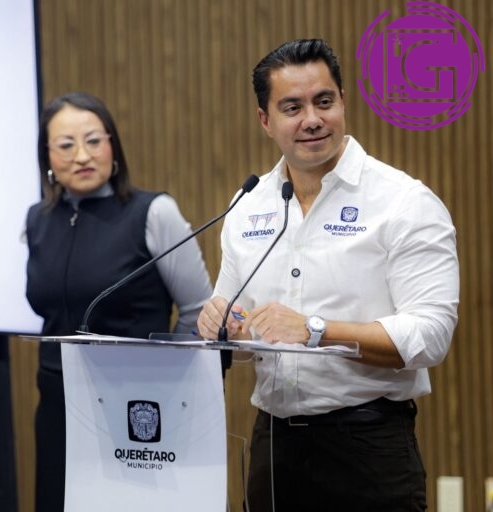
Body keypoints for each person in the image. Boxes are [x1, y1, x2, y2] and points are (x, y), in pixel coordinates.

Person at [197, 39, 459, 512]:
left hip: (368, 443)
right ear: (265, 120)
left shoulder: (403, 201)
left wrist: (315, 330)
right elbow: (238, 328)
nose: (312, 119)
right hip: (273, 445)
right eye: (292, 107)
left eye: (323, 101)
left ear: (343, 102)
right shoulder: (248, 205)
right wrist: (222, 326)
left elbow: (431, 336)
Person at [25, 91, 214, 512]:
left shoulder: (154, 212)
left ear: (113, 146)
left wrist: (169, 383)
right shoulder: (37, 220)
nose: (82, 155)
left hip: (135, 407)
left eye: (94, 140)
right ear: (47, 156)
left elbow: (198, 310)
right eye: (66, 144)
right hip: (58, 405)